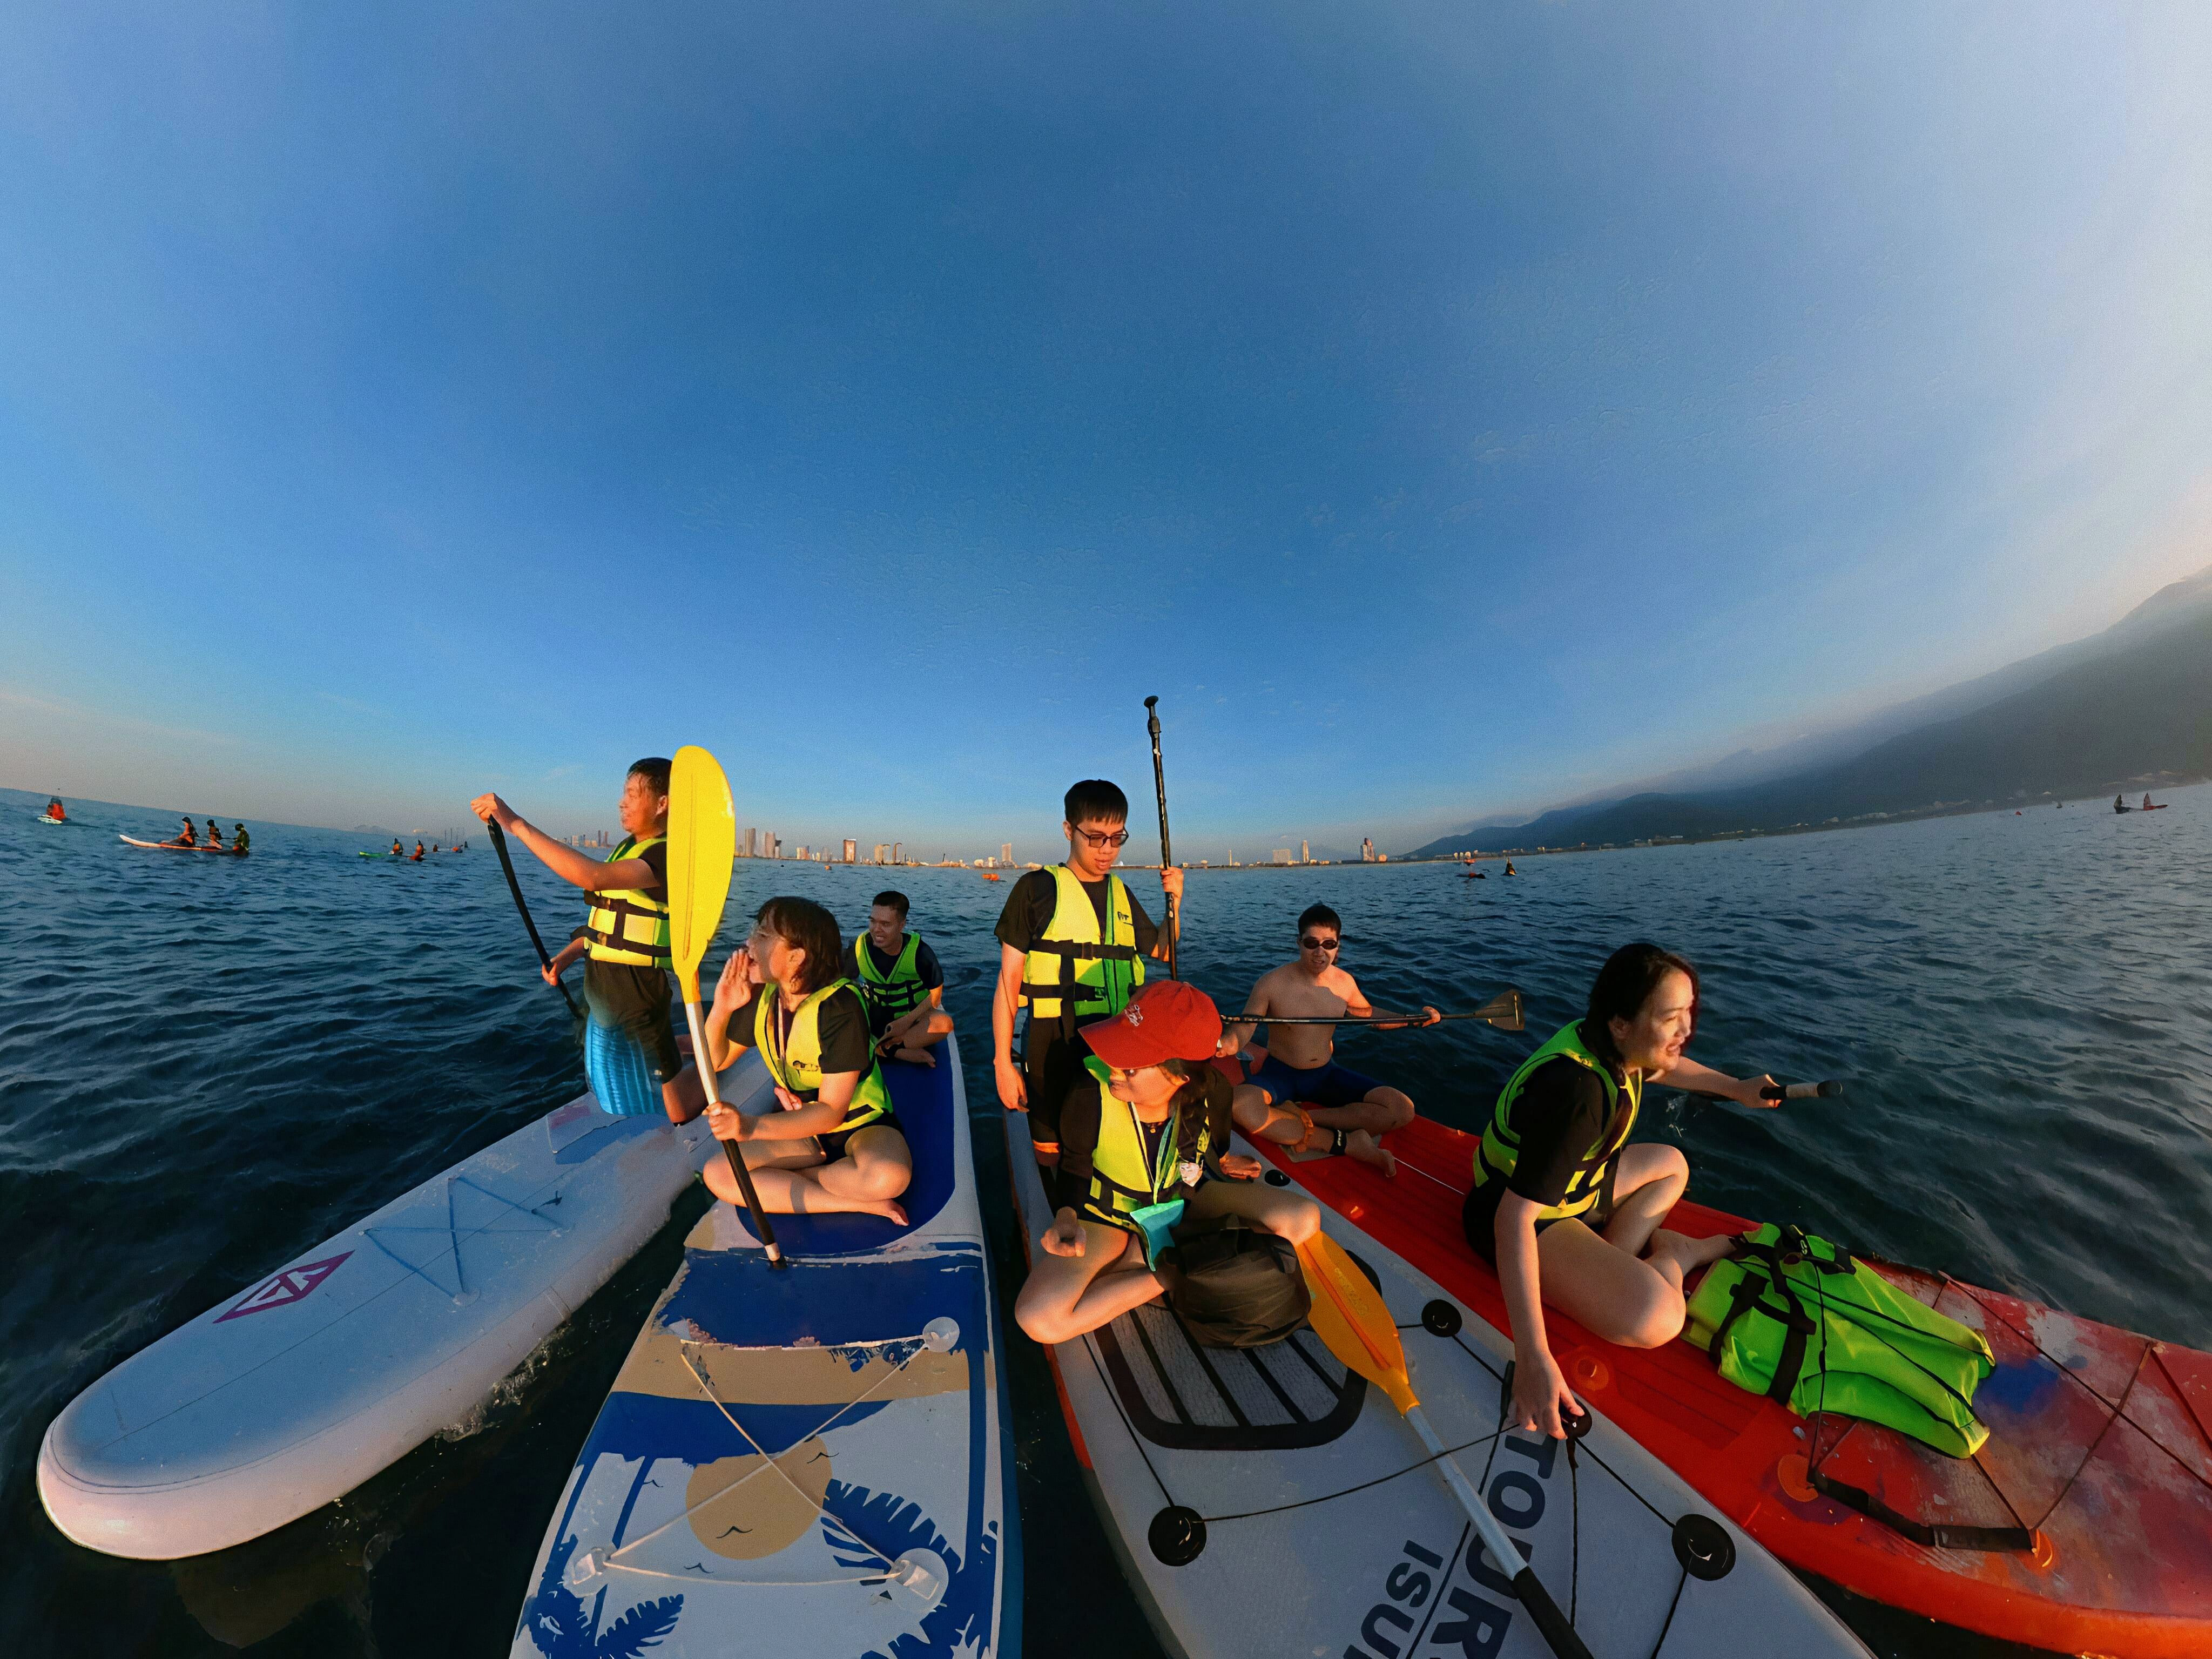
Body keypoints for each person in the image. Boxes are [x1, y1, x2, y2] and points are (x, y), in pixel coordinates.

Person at [1465, 942, 1781, 1439]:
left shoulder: (1612, 1044)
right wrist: (1532, 1358)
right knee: (1660, 1317)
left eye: (1690, 1012)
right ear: (1621, 1024)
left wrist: (1736, 1088)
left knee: (1671, 1165)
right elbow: (1513, 1218)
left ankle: (1601, 1268)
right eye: (1672, 1017)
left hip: (1574, 1191)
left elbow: (1664, 1066)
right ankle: (1676, 1256)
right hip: (1516, 1213)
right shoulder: (1580, 1094)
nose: (1687, 1030)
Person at [1015, 981, 1318, 1343]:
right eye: (1116, 1049)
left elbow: (1214, 1142)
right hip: (1112, 1216)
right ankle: (1168, 1274)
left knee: (1303, 1219)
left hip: (1188, 1200)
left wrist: (1222, 1162)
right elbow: (1075, 1166)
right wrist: (1066, 1217)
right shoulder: (1088, 1093)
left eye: (1130, 1065)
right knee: (1039, 1320)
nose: (1113, 1067)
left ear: (1179, 1078)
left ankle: (1148, 1265)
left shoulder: (1215, 1092)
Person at [471, 760, 705, 1124]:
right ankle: (672, 1066)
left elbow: (592, 878)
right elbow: (605, 930)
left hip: (636, 989)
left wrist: (515, 825)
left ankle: (714, 1062)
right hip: (601, 983)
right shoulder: (629, 848)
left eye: (632, 794)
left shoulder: (666, 856)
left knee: (671, 1104)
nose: (621, 803)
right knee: (606, 1067)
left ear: (663, 804)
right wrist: (565, 958)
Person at [993, 779, 1182, 1164]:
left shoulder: (1122, 893)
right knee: (1051, 1151)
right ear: (1069, 830)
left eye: (1117, 838)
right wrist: (1003, 1062)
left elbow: (1163, 949)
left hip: (1117, 1047)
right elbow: (1008, 984)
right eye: (1095, 837)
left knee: (1106, 1146)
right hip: (1054, 1043)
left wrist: (1176, 900)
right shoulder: (1036, 889)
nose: (1107, 850)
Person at [698, 896, 911, 1225]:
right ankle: (852, 1202)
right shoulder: (764, 996)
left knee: (890, 1178)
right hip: (800, 1129)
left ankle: (804, 1178)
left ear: (797, 956)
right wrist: (722, 1008)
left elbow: (832, 1112)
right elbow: (718, 1059)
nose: (749, 942)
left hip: (859, 1126)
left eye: (763, 936)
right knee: (719, 1173)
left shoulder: (840, 1008)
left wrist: (752, 1127)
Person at [1218, 905, 1439, 1177]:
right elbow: (1246, 1025)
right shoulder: (1271, 983)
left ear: (1338, 946)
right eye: (1311, 943)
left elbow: (1369, 1016)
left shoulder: (1344, 983)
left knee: (1401, 1109)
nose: (1319, 952)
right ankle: (1346, 1142)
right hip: (1280, 1074)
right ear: (1299, 943)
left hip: (1325, 1074)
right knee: (1238, 1104)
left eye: (1328, 944)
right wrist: (1229, 1042)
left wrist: (1412, 1019)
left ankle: (1297, 1119)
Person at [848, 891, 953, 1066]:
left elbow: (936, 997)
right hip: (874, 1015)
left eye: (886, 924)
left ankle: (886, 1048)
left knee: (944, 1023)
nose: (876, 930)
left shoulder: (920, 953)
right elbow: (841, 980)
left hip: (911, 1018)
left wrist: (906, 1021)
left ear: (902, 925)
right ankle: (895, 1050)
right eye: (872, 921)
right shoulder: (860, 947)